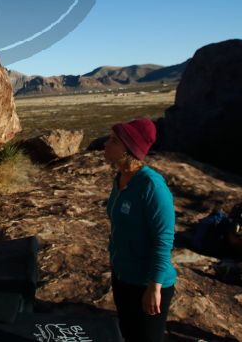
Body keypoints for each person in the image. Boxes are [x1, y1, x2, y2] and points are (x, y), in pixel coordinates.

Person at [105, 117, 176, 342]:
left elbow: (163, 238)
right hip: (123, 276)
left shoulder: (151, 186)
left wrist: (154, 286)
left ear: (129, 150)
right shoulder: (120, 178)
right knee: (127, 334)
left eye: (114, 141)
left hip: (147, 283)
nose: (106, 144)